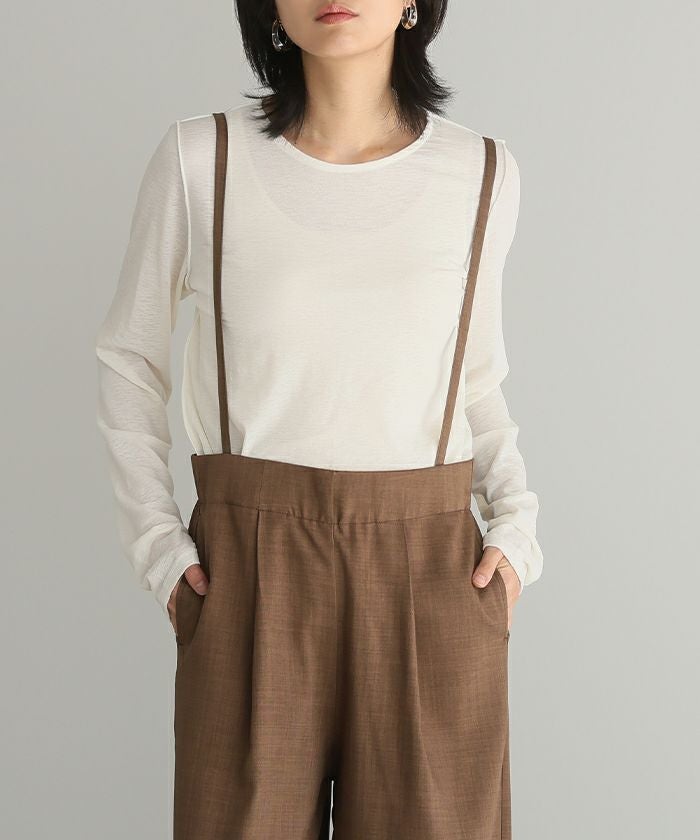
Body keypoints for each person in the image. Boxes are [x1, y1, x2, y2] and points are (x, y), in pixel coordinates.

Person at [95, 1, 543, 837]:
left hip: (430, 572)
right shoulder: (202, 160)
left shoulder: (481, 172)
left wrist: (517, 530)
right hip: (251, 569)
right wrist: (159, 550)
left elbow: (474, 378)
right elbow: (128, 357)